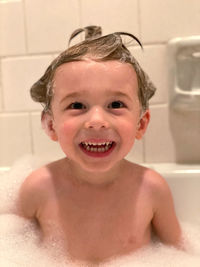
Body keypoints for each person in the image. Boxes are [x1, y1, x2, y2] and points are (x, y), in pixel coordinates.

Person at [17, 26, 183, 265]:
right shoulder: (38, 189)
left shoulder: (152, 190)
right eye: (77, 105)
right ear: (51, 125)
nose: (96, 121)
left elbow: (181, 254)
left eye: (115, 104)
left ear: (141, 124)